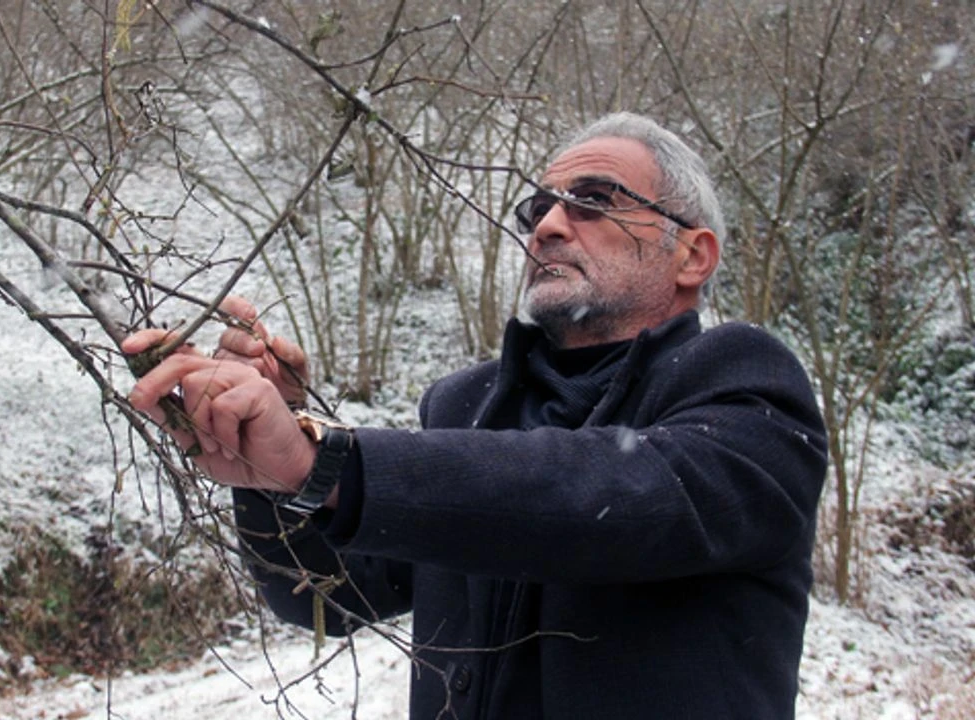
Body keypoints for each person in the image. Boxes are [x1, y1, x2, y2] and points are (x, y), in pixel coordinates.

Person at [124, 112, 828, 719]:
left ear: (692, 254)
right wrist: (268, 464)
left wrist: (330, 461)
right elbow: (324, 599)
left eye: (593, 200)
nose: (548, 225)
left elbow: (615, 498)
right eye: (539, 208)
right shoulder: (465, 406)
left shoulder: (745, 386)